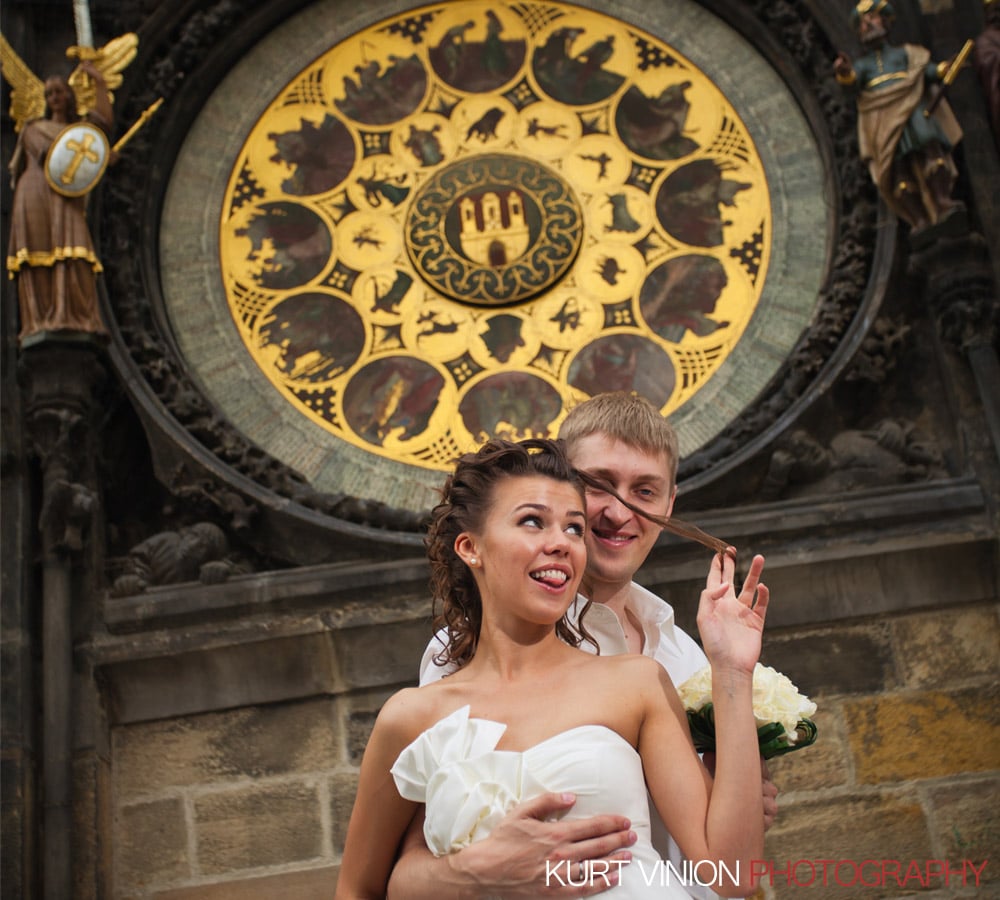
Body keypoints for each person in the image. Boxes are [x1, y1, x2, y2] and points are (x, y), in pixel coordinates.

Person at [336, 438, 768, 899]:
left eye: (575, 529)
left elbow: (732, 877)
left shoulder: (635, 683)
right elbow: (361, 889)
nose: (561, 543)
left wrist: (734, 672)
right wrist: (472, 877)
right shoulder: (411, 717)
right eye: (532, 521)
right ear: (471, 547)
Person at [833, 0, 963, 235]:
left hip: (912, 106)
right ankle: (918, 218)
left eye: (871, 19)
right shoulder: (863, 65)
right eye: (862, 24)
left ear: (885, 21)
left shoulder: (905, 54)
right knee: (897, 169)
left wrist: (944, 69)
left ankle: (941, 199)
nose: (867, 26)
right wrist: (845, 74)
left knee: (931, 148)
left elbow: (925, 70)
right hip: (883, 116)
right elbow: (852, 87)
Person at [6, 60, 111, 343]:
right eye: (49, 93)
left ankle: (79, 316)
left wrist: (99, 82)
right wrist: (98, 153)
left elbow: (103, 123)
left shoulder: (79, 132)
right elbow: (53, 157)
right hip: (37, 189)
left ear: (69, 95)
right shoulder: (33, 129)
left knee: (75, 250)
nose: (54, 97)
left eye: (59, 92)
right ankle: (40, 319)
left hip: (67, 195)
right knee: (40, 255)